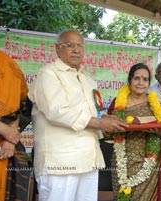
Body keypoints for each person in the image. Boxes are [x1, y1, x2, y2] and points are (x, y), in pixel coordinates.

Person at [28, 30, 127, 201]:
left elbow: (92, 114)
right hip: (60, 163)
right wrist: (99, 123)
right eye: (70, 45)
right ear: (57, 49)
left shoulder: (88, 80)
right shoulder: (49, 73)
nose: (76, 50)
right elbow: (57, 111)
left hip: (89, 160)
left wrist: (105, 120)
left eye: (80, 46)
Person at [107, 63, 161, 200]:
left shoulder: (154, 103)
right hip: (122, 162)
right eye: (137, 78)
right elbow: (107, 132)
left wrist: (159, 132)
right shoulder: (118, 102)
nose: (140, 83)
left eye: (145, 80)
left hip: (149, 161)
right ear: (130, 80)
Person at [0, 50, 29, 200]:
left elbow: (22, 106)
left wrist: (10, 139)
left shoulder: (9, 65)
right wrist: (4, 130)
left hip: (3, 149)